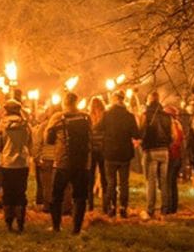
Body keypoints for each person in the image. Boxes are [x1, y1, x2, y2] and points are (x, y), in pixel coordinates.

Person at [45, 91, 92, 233]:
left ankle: (56, 226)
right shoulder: (86, 117)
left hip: (62, 162)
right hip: (82, 162)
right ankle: (76, 228)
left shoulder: (58, 117)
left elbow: (49, 139)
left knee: (57, 195)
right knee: (80, 197)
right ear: (76, 102)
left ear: (64, 102)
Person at [0, 100, 32, 232]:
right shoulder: (25, 125)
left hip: (6, 162)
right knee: (20, 192)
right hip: (22, 162)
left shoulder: (1, 125)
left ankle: (9, 222)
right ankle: (21, 221)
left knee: (8, 192)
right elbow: (29, 141)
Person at [101, 90, 138, 217]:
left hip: (110, 153)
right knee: (124, 183)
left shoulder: (107, 115)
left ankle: (111, 206)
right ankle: (123, 207)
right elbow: (136, 134)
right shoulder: (129, 116)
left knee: (111, 182)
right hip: (124, 154)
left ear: (114, 99)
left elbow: (98, 128)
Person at [139, 89, 172, 220]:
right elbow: (172, 134)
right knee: (164, 181)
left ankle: (150, 209)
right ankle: (164, 209)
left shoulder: (146, 115)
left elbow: (141, 132)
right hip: (164, 151)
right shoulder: (167, 116)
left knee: (151, 181)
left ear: (149, 100)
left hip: (151, 150)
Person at [162, 103, 184, 214]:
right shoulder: (179, 124)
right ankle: (173, 206)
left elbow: (174, 142)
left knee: (168, 182)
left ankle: (169, 207)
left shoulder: (172, 125)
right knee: (173, 183)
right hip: (177, 157)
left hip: (172, 156)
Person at [87, 97, 106, 212]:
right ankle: (105, 204)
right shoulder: (105, 117)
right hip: (103, 149)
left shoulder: (88, 117)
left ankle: (90, 205)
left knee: (90, 177)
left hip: (92, 150)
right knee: (104, 177)